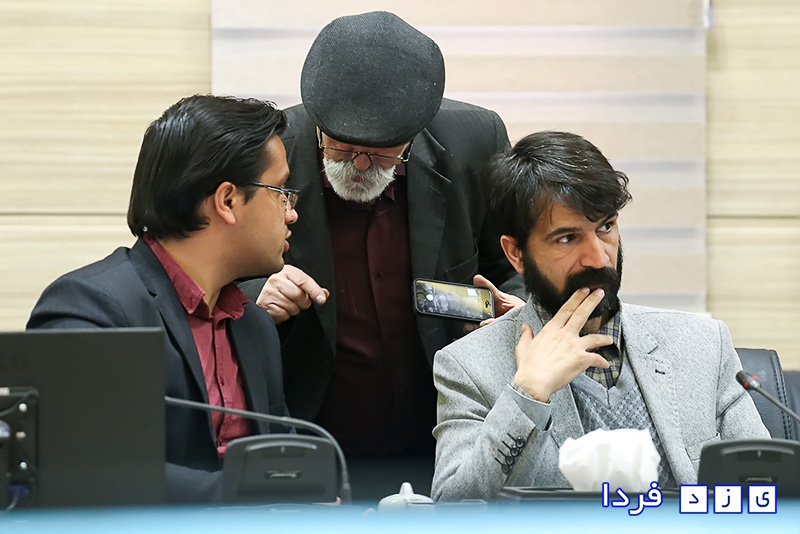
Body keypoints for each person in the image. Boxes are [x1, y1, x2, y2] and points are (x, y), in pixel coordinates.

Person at [238, 11, 524, 499]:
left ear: (415, 131)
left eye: (383, 152)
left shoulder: (474, 141)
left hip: (448, 437)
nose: (360, 164)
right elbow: (211, 275)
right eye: (341, 147)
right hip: (310, 437)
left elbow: (519, 264)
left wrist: (514, 313)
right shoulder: (268, 151)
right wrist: (256, 294)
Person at [431, 131, 769, 501]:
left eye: (605, 227)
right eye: (567, 238)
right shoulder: (468, 367)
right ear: (516, 254)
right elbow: (453, 510)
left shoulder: (702, 343)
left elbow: (767, 491)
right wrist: (527, 394)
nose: (598, 257)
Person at [27, 95, 296, 503]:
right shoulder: (90, 308)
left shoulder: (254, 326)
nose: (291, 213)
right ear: (227, 201)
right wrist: (254, 496)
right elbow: (82, 471)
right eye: (280, 192)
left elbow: (287, 459)